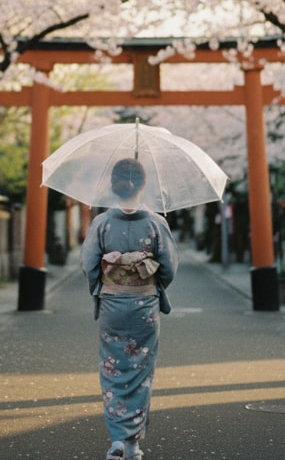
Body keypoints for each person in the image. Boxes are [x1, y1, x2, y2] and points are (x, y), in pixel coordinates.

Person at [80, 157, 179, 460]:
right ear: (144, 184)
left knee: (113, 370)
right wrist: (149, 281)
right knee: (139, 372)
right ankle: (133, 444)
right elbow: (169, 267)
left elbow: (88, 265)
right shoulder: (155, 222)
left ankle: (116, 442)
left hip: (112, 304)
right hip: (144, 306)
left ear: (113, 184)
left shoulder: (102, 222)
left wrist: (103, 285)